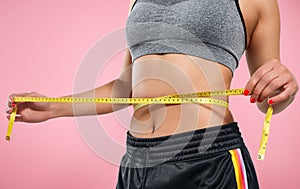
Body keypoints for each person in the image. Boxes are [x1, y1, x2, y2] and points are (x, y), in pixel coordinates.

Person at [6, 0, 298, 188]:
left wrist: (283, 91)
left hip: (208, 162)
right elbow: (125, 87)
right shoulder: (139, 2)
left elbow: (269, 97)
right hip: (137, 163)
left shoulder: (255, 1)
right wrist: (53, 107)